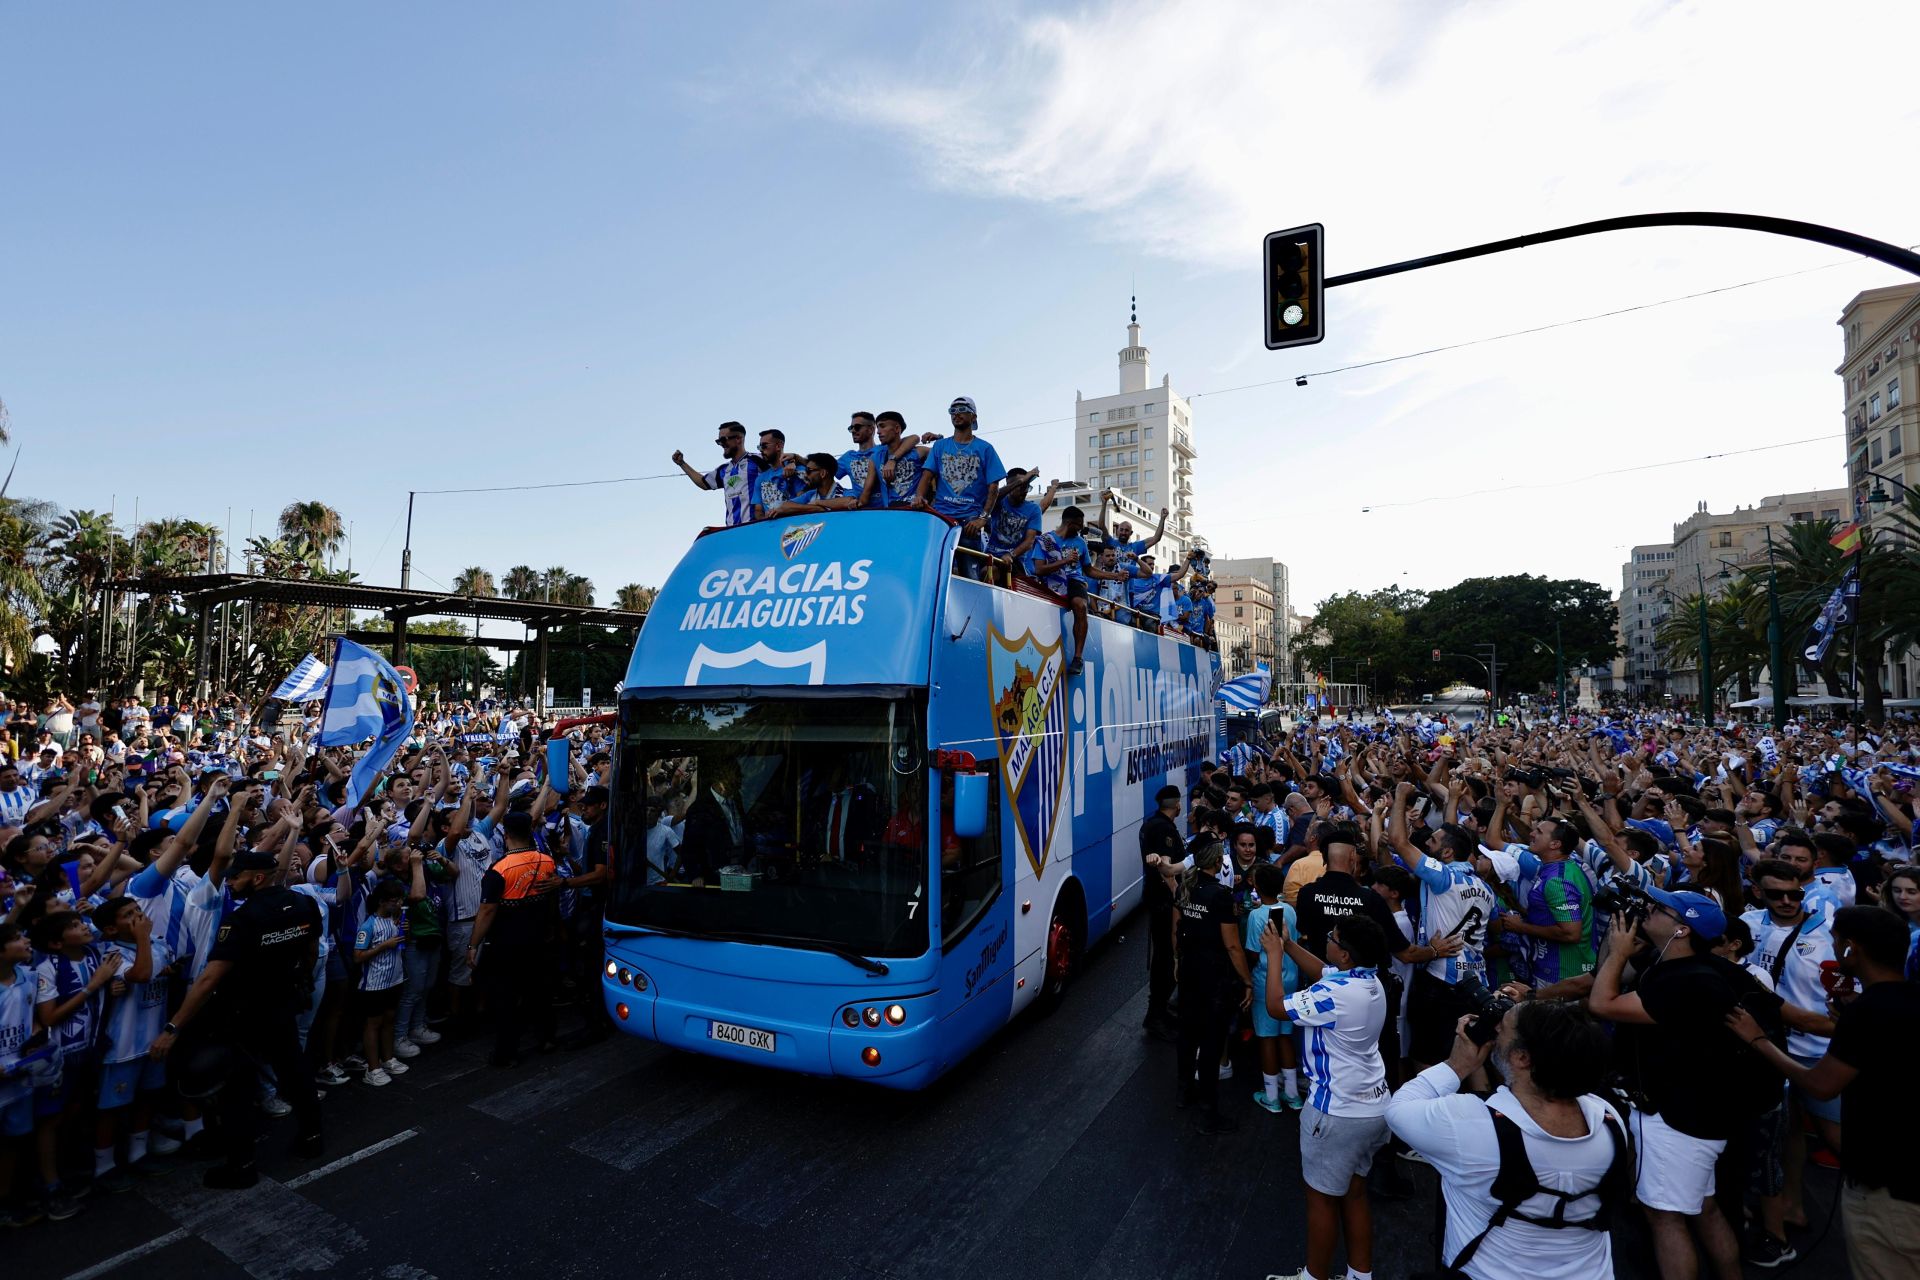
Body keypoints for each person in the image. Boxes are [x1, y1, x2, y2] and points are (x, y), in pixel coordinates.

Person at [1725, 906, 1920, 1280]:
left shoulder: (1869, 1012)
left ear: (1851, 949)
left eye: (1835, 943)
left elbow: (1820, 1085)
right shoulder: (1901, 1000)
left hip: (1889, 1192)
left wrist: (1759, 1041)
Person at [1384, 999, 1630, 1280]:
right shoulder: (1610, 1120)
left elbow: (1398, 1110)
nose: (1496, 1028)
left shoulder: (1470, 1122)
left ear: (1521, 1057)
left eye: (1504, 1027)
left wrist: (1456, 1065)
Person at [1586, 887, 1761, 1280]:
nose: (1647, 909)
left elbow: (1602, 1003)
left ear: (1682, 929)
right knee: (1704, 1207)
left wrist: (1617, 951)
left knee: (1665, 1217)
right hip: (1698, 1112)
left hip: (1676, 1118)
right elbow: (1601, 982)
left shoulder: (1685, 981)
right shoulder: (1681, 966)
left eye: (1660, 908)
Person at [145, 848, 324, 1189]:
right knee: (296, 1071)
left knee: (236, 1088)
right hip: (284, 1003)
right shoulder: (303, 904)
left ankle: (241, 1165)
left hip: (246, 1013)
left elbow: (210, 978)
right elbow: (311, 949)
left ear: (256, 878)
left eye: (236, 876)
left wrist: (173, 1027)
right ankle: (312, 1136)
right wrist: (301, 979)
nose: (230, 882)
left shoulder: (242, 919)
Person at [1260, 912, 1392, 1280]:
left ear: (1346, 955)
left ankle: (1313, 1277)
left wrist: (1273, 956)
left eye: (1333, 938)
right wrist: (1287, 944)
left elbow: (1276, 1007)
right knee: (1354, 1193)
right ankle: (1359, 1275)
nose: (1328, 941)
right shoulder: (1370, 981)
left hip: (1336, 1112)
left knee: (1320, 1199)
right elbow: (1323, 971)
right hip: (1374, 1106)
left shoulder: (1334, 996)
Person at [467, 811, 560, 1067]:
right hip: (539, 935)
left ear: (505, 835)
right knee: (540, 989)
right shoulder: (546, 859)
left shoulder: (499, 869)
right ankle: (547, 1038)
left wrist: (473, 944)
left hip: (507, 940)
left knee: (506, 996)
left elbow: (487, 910)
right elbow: (552, 896)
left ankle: (507, 1053)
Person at [1171, 841, 1252, 1135]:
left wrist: (1178, 961)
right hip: (1214, 977)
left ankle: (1183, 1092)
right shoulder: (1220, 896)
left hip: (1190, 970)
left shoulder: (1185, 888)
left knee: (1187, 1035)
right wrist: (1246, 980)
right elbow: (1232, 944)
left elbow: (1176, 928)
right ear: (1217, 863)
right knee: (1211, 1041)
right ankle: (1208, 1110)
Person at [915, 396, 1005, 574]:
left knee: (969, 573)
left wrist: (982, 518)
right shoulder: (940, 446)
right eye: (952, 410)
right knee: (933, 570)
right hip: (941, 517)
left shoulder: (985, 448)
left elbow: (993, 488)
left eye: (962, 409)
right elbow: (926, 476)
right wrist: (918, 497)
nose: (956, 414)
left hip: (970, 520)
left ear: (974, 417)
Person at [1245, 862, 1302, 1113]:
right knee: (1285, 1035)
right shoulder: (1289, 910)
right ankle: (1291, 1093)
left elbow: (1253, 952)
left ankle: (1271, 1095)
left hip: (1266, 982)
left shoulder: (1256, 915)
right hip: (1290, 979)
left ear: (1257, 886)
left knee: (1267, 1036)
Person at [1138, 784, 1184, 1041]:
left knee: (1163, 957)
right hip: (1165, 902)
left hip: (1156, 900)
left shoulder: (1150, 824)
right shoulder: (1165, 830)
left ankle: (1159, 1010)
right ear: (1176, 805)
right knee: (1167, 958)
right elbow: (1168, 870)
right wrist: (1180, 897)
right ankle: (1156, 1014)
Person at [670, 420, 759, 527]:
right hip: (732, 531)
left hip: (756, 527)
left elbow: (779, 461)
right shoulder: (724, 470)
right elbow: (703, 483)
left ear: (738, 439)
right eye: (719, 441)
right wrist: (682, 464)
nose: (721, 444)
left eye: (723, 440)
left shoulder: (757, 460)